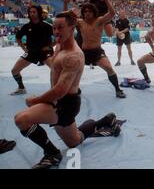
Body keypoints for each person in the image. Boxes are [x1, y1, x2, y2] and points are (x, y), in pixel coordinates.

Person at [14, 11, 121, 169]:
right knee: (75, 140)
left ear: (72, 28)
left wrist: (34, 101)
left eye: (61, 28)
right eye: (55, 27)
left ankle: (52, 154)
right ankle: (106, 120)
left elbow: (60, 91)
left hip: (64, 104)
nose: (56, 31)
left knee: (21, 119)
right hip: (63, 103)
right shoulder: (59, 45)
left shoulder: (73, 56)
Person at [63, 0, 126, 98]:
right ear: (83, 13)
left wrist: (106, 0)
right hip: (83, 52)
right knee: (73, 70)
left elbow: (112, 13)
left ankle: (118, 90)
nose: (87, 13)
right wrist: (65, 3)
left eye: (90, 11)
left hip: (97, 52)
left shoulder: (99, 21)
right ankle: (74, 88)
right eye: (85, 11)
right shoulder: (80, 22)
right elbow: (66, 18)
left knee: (109, 68)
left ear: (94, 12)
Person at [11, 5, 54, 95]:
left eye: (34, 12)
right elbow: (18, 37)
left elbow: (59, 37)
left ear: (39, 13)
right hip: (31, 52)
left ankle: (54, 90)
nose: (32, 14)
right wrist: (24, 48)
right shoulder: (26, 26)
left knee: (55, 69)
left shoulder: (48, 26)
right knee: (14, 70)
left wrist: (50, 46)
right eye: (30, 12)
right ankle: (21, 88)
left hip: (45, 52)